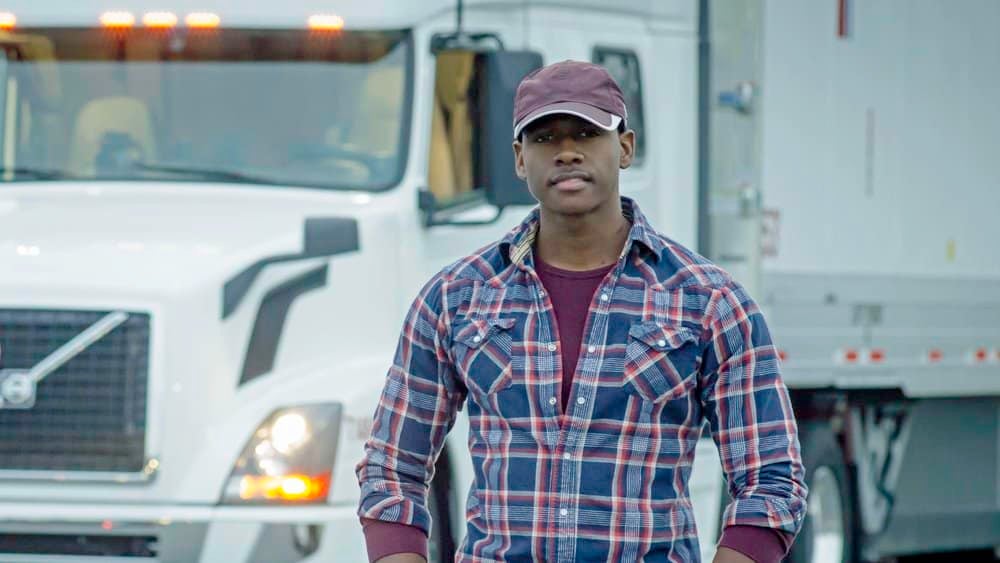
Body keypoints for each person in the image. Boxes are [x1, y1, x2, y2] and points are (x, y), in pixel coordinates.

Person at [356, 60, 807, 562]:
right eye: (545, 137)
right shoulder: (456, 298)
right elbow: (391, 466)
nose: (567, 151)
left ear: (626, 148)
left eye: (588, 133)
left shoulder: (710, 304)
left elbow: (771, 479)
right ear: (520, 159)